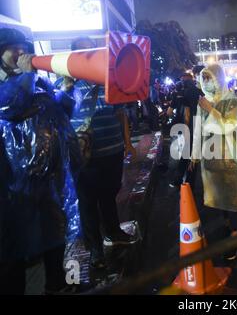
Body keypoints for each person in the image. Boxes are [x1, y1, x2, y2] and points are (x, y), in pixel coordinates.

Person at [0, 27, 81, 294]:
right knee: (13, 255)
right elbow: (10, 106)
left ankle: (57, 286)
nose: (20, 51)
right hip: (13, 189)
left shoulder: (36, 81)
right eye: (13, 47)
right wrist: (26, 76)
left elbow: (62, 112)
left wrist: (67, 89)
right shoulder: (14, 83)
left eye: (22, 45)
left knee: (54, 240)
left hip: (49, 182)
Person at [56, 36, 138, 270]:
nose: (90, 55)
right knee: (88, 202)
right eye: (83, 53)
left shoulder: (110, 81)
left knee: (109, 194)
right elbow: (59, 119)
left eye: (93, 51)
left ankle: (114, 232)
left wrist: (127, 142)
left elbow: (121, 114)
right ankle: (95, 250)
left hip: (113, 151)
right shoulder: (66, 86)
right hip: (86, 156)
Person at [190, 64, 237, 261]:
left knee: (231, 199)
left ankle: (234, 237)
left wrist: (210, 110)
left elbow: (229, 126)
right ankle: (224, 234)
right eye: (203, 78)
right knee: (216, 200)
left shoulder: (230, 99)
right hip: (210, 159)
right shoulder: (203, 101)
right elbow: (198, 128)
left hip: (229, 157)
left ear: (219, 78)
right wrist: (195, 153)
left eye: (209, 78)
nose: (206, 82)